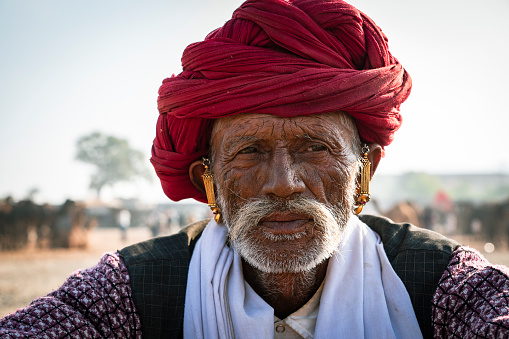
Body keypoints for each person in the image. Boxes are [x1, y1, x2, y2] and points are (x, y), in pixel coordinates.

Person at [1, 0, 508, 338]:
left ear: (364, 174)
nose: (282, 182)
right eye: (249, 152)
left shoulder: (441, 281)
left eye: (315, 147)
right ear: (209, 182)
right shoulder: (133, 289)